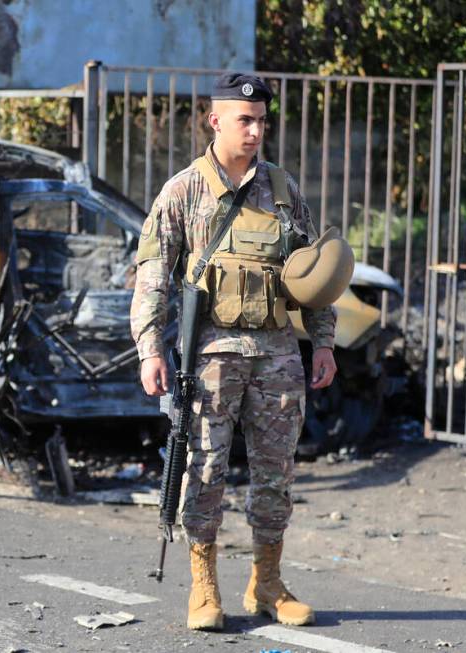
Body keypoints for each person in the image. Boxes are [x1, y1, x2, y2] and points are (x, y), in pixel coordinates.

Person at [130, 72, 338, 631]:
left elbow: (314, 273)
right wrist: (151, 348)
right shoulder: (184, 190)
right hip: (210, 355)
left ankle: (267, 583)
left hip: (276, 354)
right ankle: (204, 587)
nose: (255, 130)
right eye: (244, 120)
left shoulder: (284, 189)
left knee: (276, 474)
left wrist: (322, 342)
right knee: (205, 471)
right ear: (214, 119)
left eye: (261, 121)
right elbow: (153, 275)